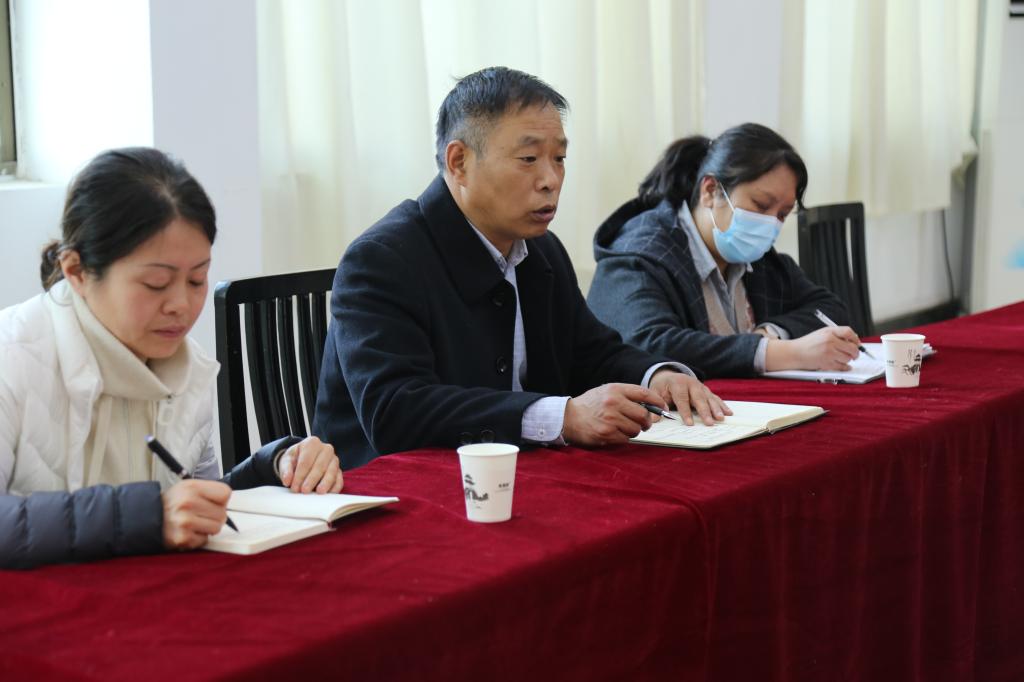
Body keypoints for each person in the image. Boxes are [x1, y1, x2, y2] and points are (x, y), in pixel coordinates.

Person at [313, 66, 729, 471]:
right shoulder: (382, 259)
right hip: (398, 488)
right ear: (459, 162)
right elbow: (396, 410)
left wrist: (656, 375)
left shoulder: (541, 250)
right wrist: (561, 417)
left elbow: (590, 352)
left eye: (560, 158)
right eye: (528, 158)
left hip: (518, 474)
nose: (551, 179)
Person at [0, 148, 343, 569]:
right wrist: (143, 517)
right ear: (76, 271)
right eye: (156, 283)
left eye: (197, 279)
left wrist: (275, 464)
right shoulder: (13, 357)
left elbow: (197, 499)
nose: (181, 305)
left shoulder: (186, 367)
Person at [587, 123, 860, 378]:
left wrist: (771, 333)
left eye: (782, 214)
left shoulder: (757, 256)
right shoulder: (639, 255)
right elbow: (650, 344)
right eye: (761, 205)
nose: (770, 224)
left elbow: (830, 309)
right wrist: (779, 353)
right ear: (710, 191)